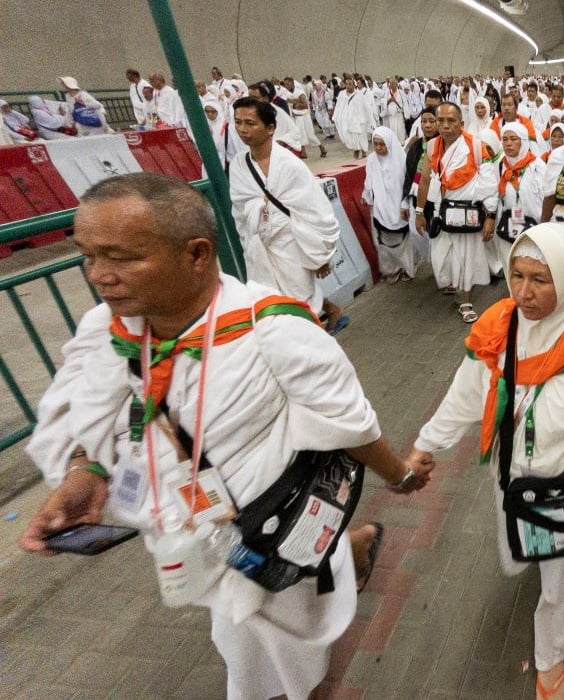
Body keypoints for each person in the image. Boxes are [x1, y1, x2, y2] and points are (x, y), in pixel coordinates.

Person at [19, 172, 428, 699]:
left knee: (274, 650)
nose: (100, 276)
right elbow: (91, 413)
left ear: (196, 254)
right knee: (251, 628)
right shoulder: (108, 329)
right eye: (88, 256)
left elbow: (352, 426)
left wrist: (399, 477)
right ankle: (345, 552)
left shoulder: (275, 330)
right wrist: (86, 470)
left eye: (121, 257)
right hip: (193, 529)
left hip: (268, 520)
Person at [402, 224, 564, 700]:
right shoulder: (499, 325)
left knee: (562, 586)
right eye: (517, 275)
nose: (524, 291)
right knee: (524, 549)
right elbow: (465, 396)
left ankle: (551, 658)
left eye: (541, 279)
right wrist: (425, 445)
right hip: (514, 482)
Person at [228, 97, 347, 333]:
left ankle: (314, 345)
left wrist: (321, 255)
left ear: (270, 128)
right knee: (269, 304)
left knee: (300, 300)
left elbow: (316, 211)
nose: (243, 129)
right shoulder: (238, 165)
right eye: (238, 122)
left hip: (291, 245)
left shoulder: (289, 165)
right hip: (260, 249)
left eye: (250, 123)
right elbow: (240, 211)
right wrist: (258, 208)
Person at [415, 102, 499, 323]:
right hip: (443, 212)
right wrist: (419, 211)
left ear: (461, 124)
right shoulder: (432, 146)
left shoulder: (476, 145)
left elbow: (490, 184)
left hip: (468, 214)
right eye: (440, 121)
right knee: (440, 258)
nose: (445, 126)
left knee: (467, 258)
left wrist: (490, 216)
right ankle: (454, 284)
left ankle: (466, 301)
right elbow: (424, 179)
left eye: (451, 121)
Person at [364, 126, 420, 284]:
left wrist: (405, 204)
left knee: (404, 242)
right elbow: (369, 182)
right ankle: (391, 270)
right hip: (381, 208)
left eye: (382, 144)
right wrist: (367, 197)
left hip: (399, 207)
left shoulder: (401, 160)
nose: (378, 148)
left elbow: (407, 184)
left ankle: (408, 269)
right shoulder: (371, 160)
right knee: (383, 242)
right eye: (375, 144)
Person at [493, 123, 545, 272]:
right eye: (505, 139)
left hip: (533, 227)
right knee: (511, 267)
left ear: (523, 141)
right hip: (507, 227)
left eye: (513, 139)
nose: (508, 143)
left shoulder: (537, 166)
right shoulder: (499, 166)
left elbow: (546, 197)